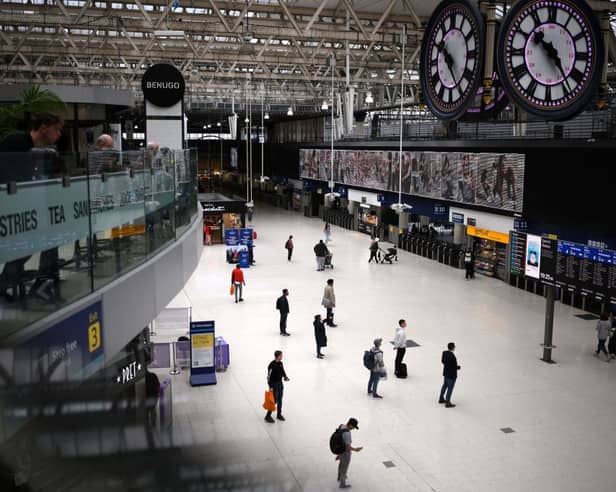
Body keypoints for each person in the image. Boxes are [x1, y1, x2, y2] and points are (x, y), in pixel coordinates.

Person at [335, 418, 362, 489]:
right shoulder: (347, 433)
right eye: (353, 427)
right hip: (345, 454)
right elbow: (347, 447)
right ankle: (342, 484)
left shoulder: (341, 426)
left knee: (341, 465)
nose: (353, 429)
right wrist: (355, 449)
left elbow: (340, 441)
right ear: (350, 425)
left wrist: (339, 454)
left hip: (341, 451)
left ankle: (339, 477)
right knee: (344, 468)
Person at [265, 350, 290, 423]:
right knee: (274, 400)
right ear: (278, 356)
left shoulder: (280, 363)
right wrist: (270, 386)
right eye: (281, 355)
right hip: (274, 385)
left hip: (280, 383)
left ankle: (279, 414)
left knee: (280, 399)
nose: (282, 357)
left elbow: (282, 370)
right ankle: (268, 416)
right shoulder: (271, 365)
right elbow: (268, 377)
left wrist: (285, 376)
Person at [439, 342, 460, 407]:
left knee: (445, 385)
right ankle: (447, 402)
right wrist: (457, 367)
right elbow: (453, 366)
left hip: (445, 373)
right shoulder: (452, 357)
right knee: (450, 388)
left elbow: (443, 361)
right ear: (453, 347)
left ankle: (441, 398)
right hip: (451, 375)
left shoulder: (444, 353)